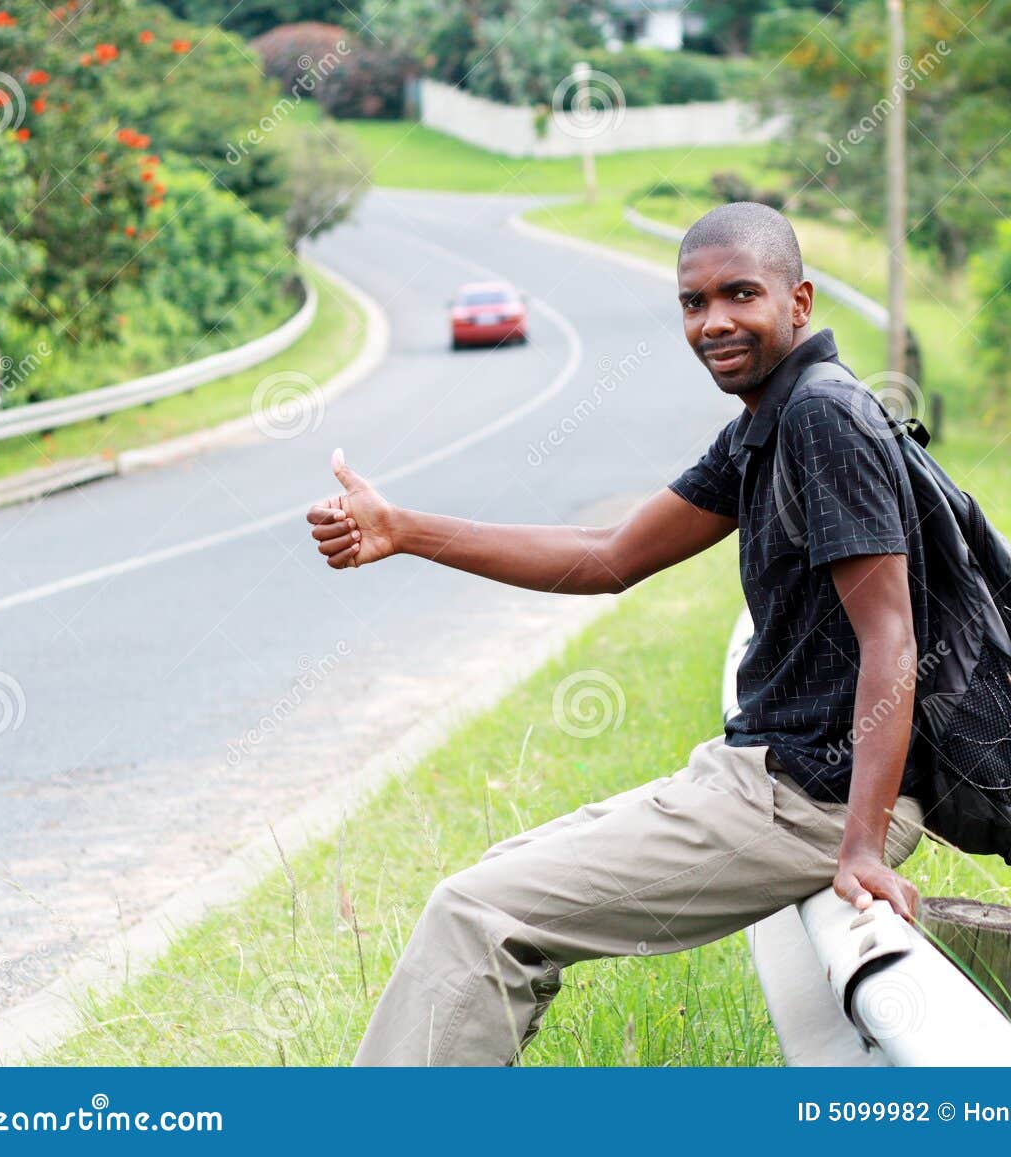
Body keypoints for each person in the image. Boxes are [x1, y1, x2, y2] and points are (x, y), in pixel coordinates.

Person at [307, 201, 931, 1066]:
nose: (713, 322)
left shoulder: (822, 417)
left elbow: (891, 639)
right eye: (693, 302)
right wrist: (405, 530)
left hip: (814, 800)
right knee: (484, 886)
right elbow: (608, 556)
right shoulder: (767, 423)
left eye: (740, 294)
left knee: (477, 914)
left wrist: (860, 843)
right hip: (763, 772)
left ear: (800, 301)